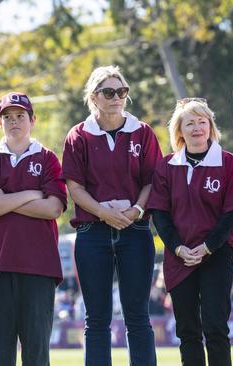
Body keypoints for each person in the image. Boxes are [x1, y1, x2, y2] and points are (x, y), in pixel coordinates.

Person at [61, 65, 162, 365]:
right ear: (94, 97)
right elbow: (75, 188)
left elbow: (151, 182)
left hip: (136, 230)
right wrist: (104, 213)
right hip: (92, 232)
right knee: (96, 319)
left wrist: (136, 211)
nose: (117, 97)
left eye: (122, 91)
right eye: (109, 92)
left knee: (138, 317)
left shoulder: (142, 132)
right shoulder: (78, 135)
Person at [147, 98, 233, 366]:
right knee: (188, 332)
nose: (197, 127)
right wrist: (178, 247)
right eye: (189, 122)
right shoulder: (167, 166)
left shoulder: (226, 162)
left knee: (216, 328)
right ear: (179, 130)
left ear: (210, 126)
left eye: (202, 121)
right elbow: (160, 213)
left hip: (216, 255)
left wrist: (208, 247)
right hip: (179, 257)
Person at [0, 92, 67, 366]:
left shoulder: (48, 158)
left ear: (32, 120)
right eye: (7, 117)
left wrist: (4, 198)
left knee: (36, 355)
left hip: (39, 268)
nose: (14, 122)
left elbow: (53, 209)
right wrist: (31, 194)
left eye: (20, 116)